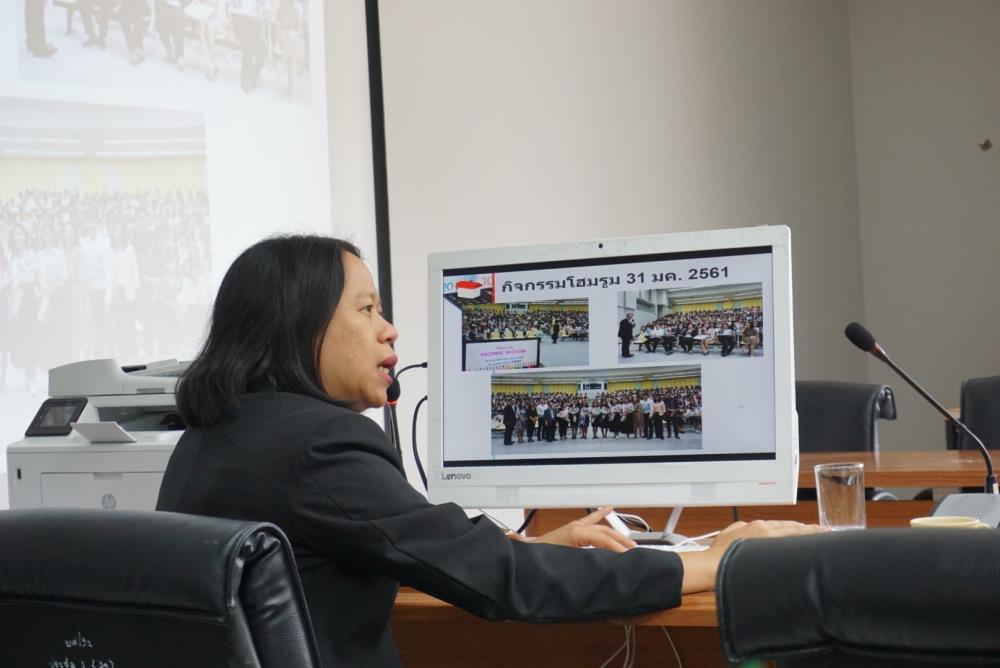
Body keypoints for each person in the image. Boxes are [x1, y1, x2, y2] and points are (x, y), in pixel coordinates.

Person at [157, 236, 820, 666]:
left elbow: (390, 551)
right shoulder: (320, 444)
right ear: (302, 327)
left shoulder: (209, 438)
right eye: (366, 310)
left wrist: (532, 547)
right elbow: (503, 584)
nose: (390, 330)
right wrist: (713, 560)